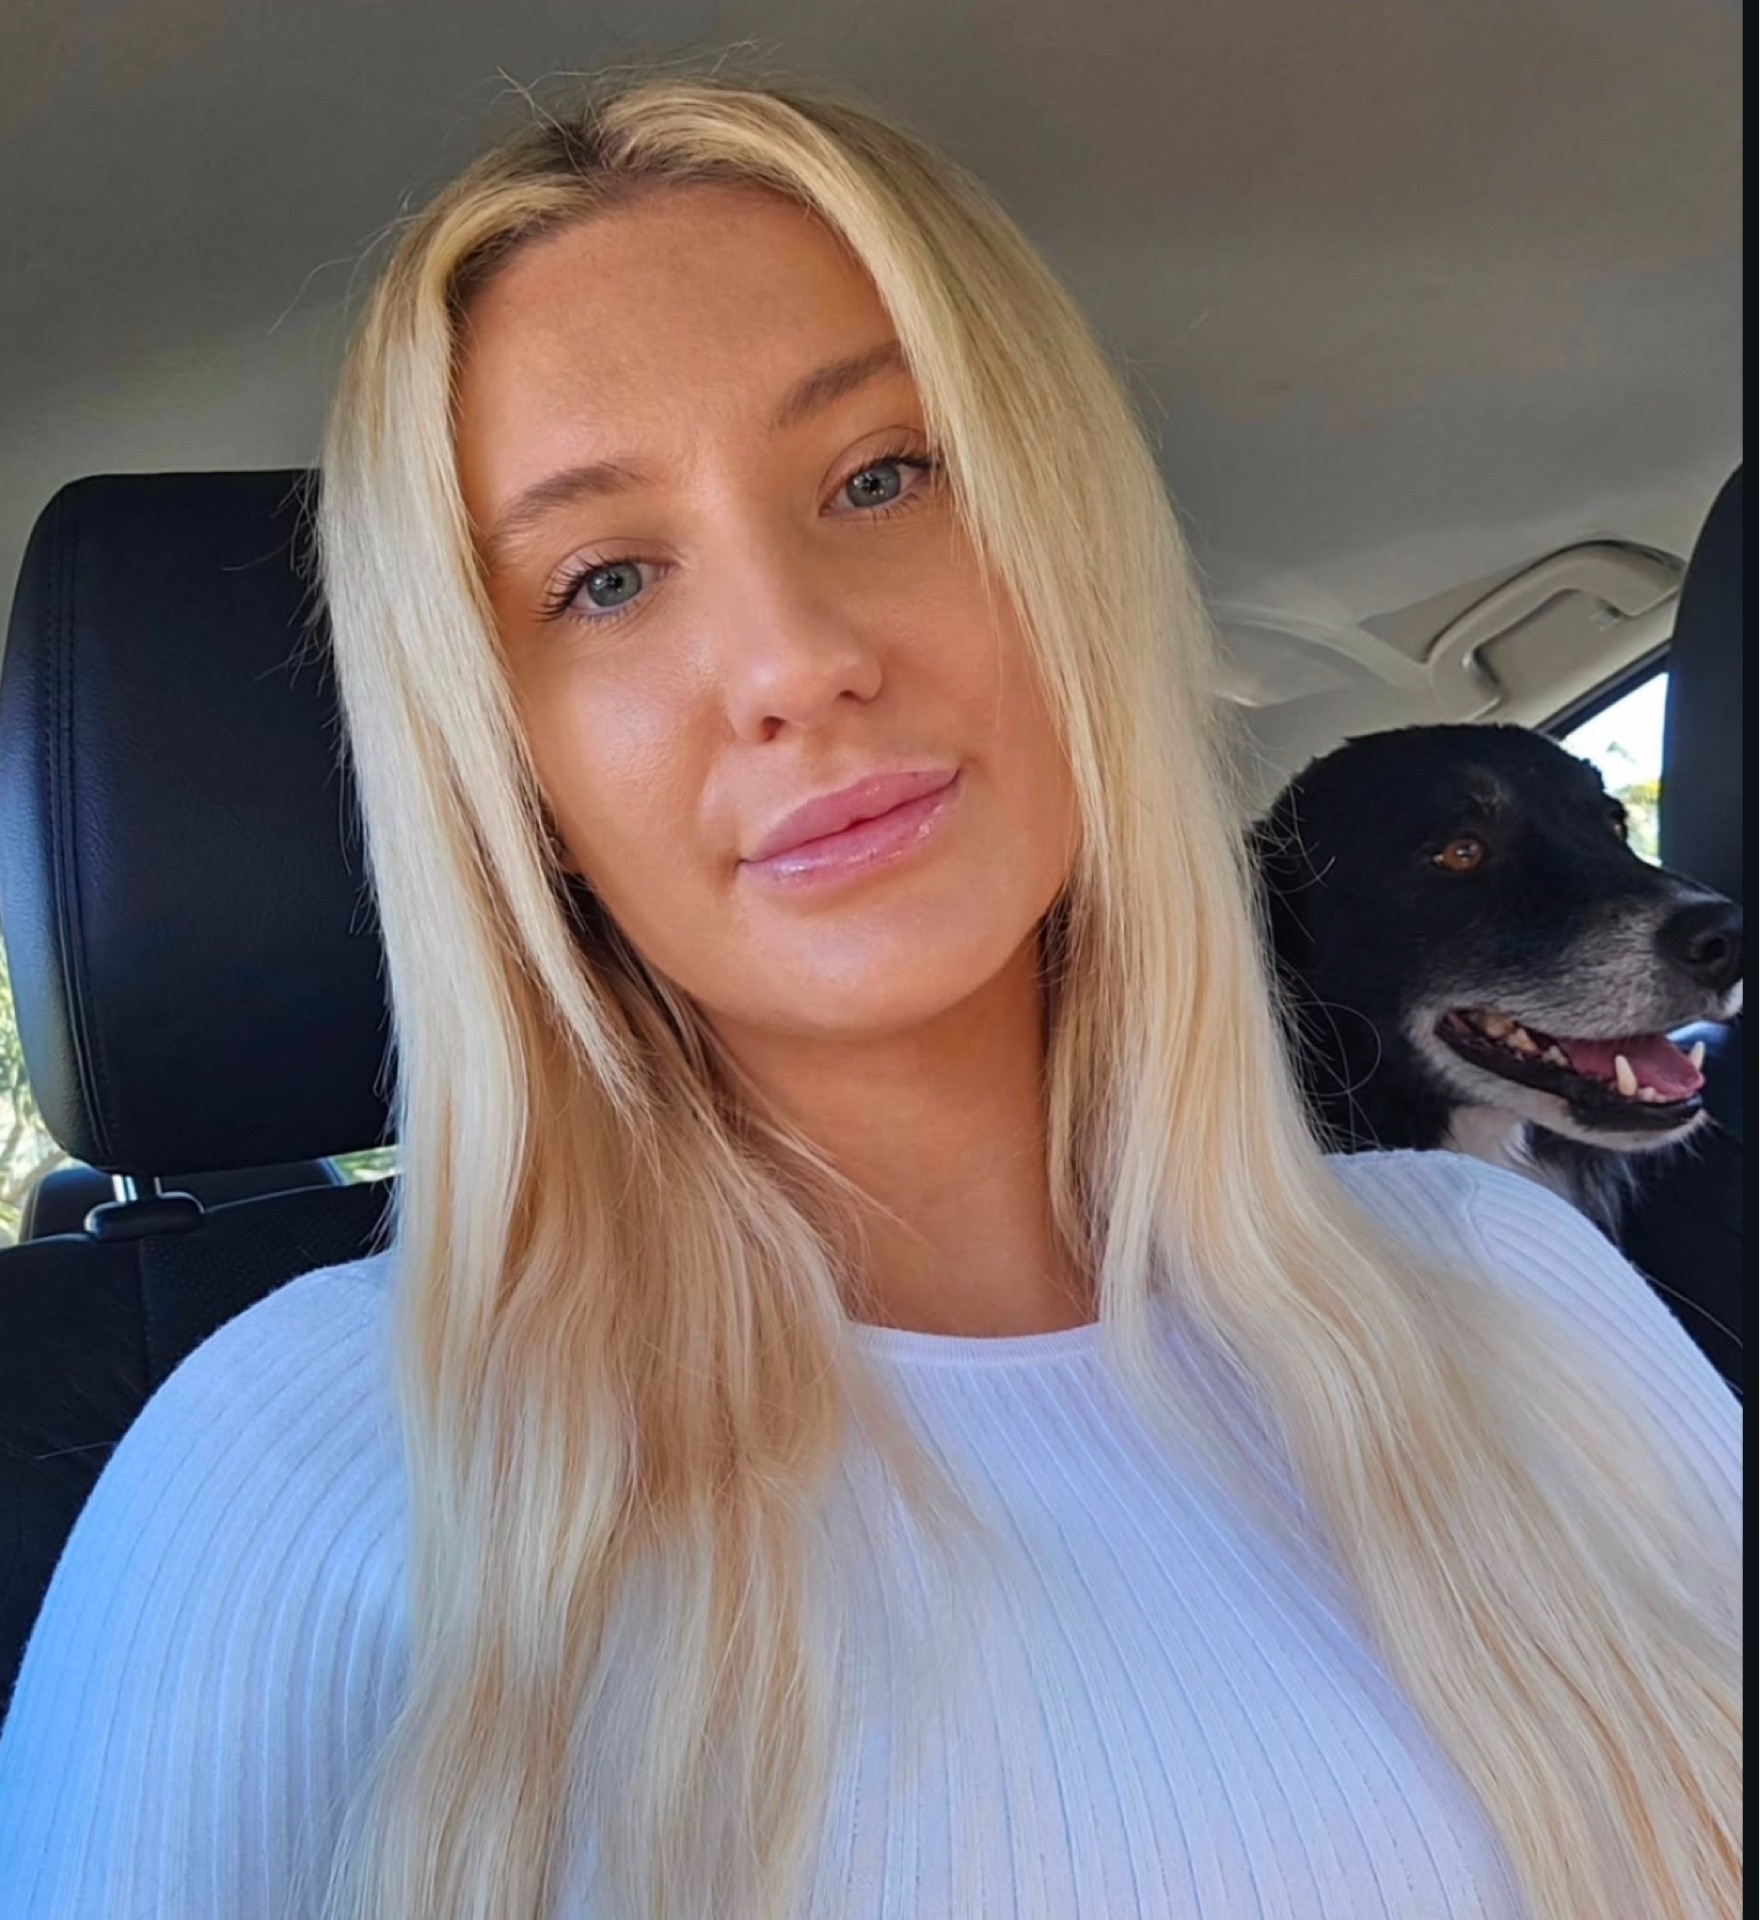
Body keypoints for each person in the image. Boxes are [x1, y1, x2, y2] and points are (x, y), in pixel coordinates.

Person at [0, 74, 1739, 1920]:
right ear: (513, 782)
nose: (794, 659)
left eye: (884, 475)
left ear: (1072, 562)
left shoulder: (1516, 1289)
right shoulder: (290, 1467)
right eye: (603, 579)